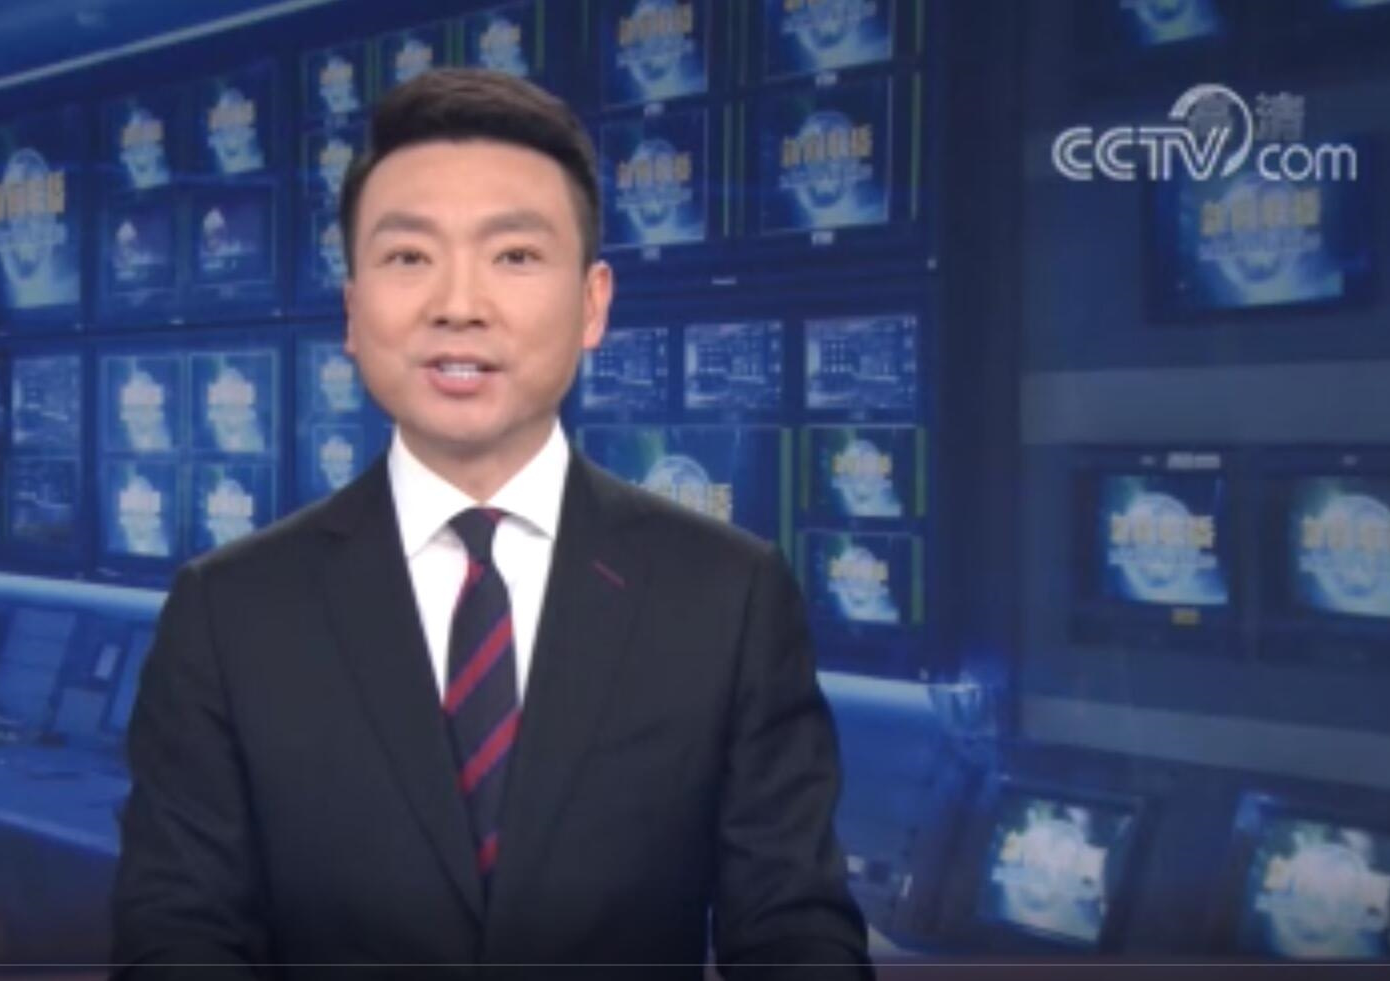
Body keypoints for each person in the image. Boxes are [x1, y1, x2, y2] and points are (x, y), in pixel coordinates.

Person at [112, 68, 873, 980]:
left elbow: (794, 929)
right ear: (351, 311)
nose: (458, 305)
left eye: (513, 256)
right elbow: (177, 934)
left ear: (592, 304)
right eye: (408, 257)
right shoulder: (229, 610)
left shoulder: (726, 594)